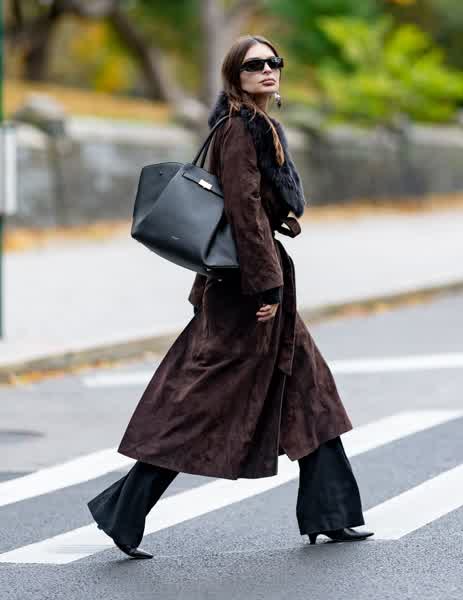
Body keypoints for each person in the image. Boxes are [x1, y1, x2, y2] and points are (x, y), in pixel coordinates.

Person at [87, 34, 374, 560]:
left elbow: (254, 206)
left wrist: (276, 235)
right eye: (254, 64)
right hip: (245, 292)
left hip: (255, 282)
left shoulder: (257, 125)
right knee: (198, 405)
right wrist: (267, 283)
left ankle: (331, 514)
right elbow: (242, 209)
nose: (268, 70)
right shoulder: (242, 128)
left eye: (274, 62)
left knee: (311, 393)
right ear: (234, 76)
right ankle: (123, 511)